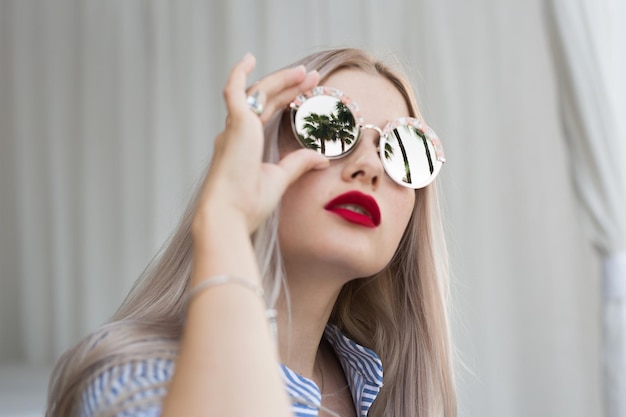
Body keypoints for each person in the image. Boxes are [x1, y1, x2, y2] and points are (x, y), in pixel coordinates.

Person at [46, 47, 456, 417]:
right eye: (326, 125)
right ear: (257, 154)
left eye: (405, 150)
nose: (369, 167)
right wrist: (224, 217)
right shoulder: (137, 382)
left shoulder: (394, 397)